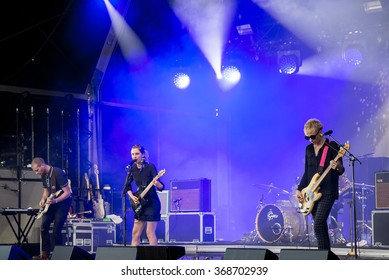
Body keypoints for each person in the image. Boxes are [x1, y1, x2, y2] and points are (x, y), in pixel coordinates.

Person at [296, 119, 345, 250]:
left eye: (312, 136)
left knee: (318, 224)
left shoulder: (332, 146)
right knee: (320, 227)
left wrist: (337, 166)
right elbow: (307, 172)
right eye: (307, 137)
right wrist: (299, 189)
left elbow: (341, 170)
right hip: (312, 193)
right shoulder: (308, 149)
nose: (310, 140)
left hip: (328, 191)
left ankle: (323, 256)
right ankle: (324, 255)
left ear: (320, 132)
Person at [31, 157, 72, 259]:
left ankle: (59, 256)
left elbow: (67, 192)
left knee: (56, 231)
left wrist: (56, 200)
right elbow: (46, 191)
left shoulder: (58, 173)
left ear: (42, 165)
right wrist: (43, 199)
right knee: (44, 226)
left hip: (62, 204)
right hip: (52, 203)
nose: (36, 173)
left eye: (37, 170)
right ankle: (45, 254)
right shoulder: (43, 175)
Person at [123, 144, 164, 246]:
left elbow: (161, 187)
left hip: (151, 203)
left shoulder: (150, 167)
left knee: (149, 233)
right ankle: (135, 259)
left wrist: (156, 183)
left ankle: (153, 258)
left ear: (143, 155)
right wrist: (132, 197)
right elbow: (127, 187)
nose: (134, 156)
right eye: (132, 154)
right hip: (140, 203)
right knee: (135, 234)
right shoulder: (132, 170)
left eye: (137, 154)